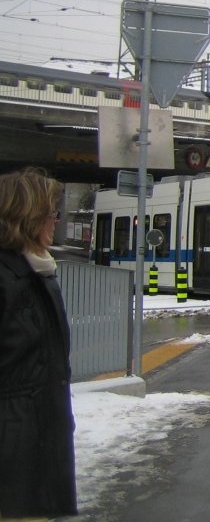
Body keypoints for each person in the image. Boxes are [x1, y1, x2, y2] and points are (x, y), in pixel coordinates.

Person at [0, 167, 78, 520]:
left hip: (38, 447)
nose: (55, 222)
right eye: (51, 213)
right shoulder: (10, 279)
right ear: (27, 218)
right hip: (14, 457)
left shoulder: (37, 273)